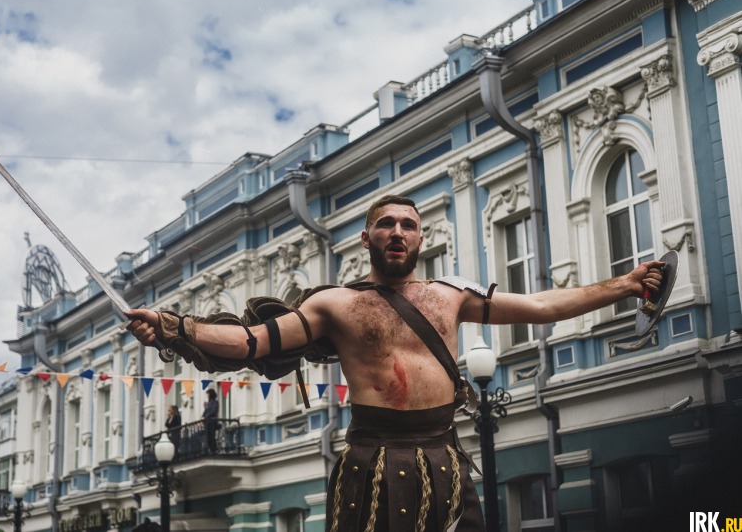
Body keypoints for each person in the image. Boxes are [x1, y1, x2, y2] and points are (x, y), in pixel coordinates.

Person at [127, 194, 664, 532]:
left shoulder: (451, 295)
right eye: (386, 224)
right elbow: (252, 342)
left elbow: (542, 306)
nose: (398, 232)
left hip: (445, 456)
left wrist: (625, 284)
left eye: (408, 224)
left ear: (421, 237)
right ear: (367, 237)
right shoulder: (334, 304)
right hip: (373, 459)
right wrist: (174, 327)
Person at [202, 388, 219, 453]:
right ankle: (209, 449)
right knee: (208, 436)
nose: (207, 395)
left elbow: (213, 411)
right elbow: (205, 412)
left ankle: (213, 449)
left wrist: (206, 416)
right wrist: (203, 416)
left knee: (212, 436)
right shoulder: (208, 403)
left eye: (208, 394)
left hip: (212, 421)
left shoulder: (215, 402)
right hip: (207, 422)